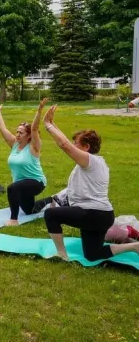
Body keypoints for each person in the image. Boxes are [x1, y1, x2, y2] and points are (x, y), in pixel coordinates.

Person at [41, 104, 139, 261]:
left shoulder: (90, 161)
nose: (73, 146)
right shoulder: (94, 161)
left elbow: (64, 145)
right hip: (101, 215)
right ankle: (134, 246)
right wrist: (52, 124)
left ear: (86, 147)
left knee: (51, 214)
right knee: (93, 254)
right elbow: (67, 142)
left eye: (77, 144)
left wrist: (47, 126)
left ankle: (61, 254)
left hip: (94, 213)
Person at [0, 96, 48, 226]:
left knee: (12, 189)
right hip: (22, 184)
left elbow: (34, 128)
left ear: (28, 136)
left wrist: (39, 110)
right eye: (17, 132)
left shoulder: (34, 147)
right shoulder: (14, 144)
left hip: (36, 182)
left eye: (21, 133)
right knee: (29, 210)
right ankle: (52, 200)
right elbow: (2, 128)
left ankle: (13, 220)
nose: (17, 134)